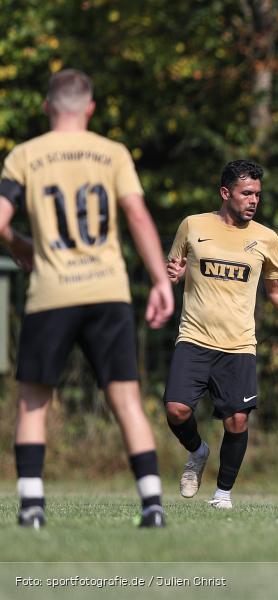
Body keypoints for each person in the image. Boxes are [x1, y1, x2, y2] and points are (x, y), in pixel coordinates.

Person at [0, 69, 175, 528]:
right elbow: (137, 214)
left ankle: (32, 507)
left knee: (33, 401)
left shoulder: (25, 155)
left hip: (52, 293)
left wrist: (18, 243)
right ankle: (152, 505)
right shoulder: (112, 153)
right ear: (90, 108)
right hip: (107, 291)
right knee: (127, 400)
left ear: (47, 107)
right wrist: (160, 280)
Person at [164, 159, 278, 509]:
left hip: (238, 344)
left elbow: (276, 291)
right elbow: (174, 268)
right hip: (194, 337)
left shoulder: (267, 238)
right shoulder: (192, 225)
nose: (254, 200)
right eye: (246, 193)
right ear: (226, 193)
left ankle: (223, 495)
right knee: (176, 410)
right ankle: (197, 451)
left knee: (237, 420)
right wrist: (172, 275)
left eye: (257, 195)